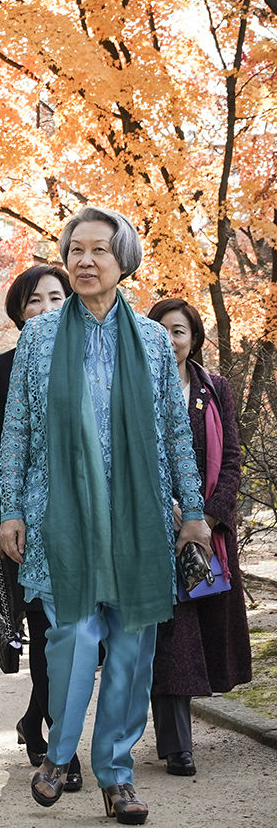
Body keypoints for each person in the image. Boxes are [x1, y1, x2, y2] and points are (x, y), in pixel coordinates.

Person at [0, 206, 211, 825]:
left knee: (131, 645)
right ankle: (60, 754)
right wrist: (11, 509)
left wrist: (192, 511)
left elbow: (174, 431)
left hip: (138, 515)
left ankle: (116, 775)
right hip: (59, 511)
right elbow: (18, 431)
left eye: (99, 251)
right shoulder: (38, 337)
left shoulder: (149, 338)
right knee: (73, 634)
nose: (85, 262)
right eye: (75, 251)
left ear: (124, 261)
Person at [0, 265, 81, 789]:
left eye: (55, 297)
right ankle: (60, 749)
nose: (46, 308)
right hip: (22, 525)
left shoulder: (88, 359)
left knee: (80, 637)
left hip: (84, 525)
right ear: (18, 312)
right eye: (34, 300)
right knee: (46, 635)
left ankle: (36, 720)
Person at [148, 298, 251, 775]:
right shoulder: (135, 388)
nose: (171, 340)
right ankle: (177, 746)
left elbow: (230, 457)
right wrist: (162, 508)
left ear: (194, 338)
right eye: (162, 331)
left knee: (200, 633)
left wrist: (206, 518)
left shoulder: (215, 389)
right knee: (172, 638)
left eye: (179, 331)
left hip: (206, 533)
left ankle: (180, 737)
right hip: (153, 529)